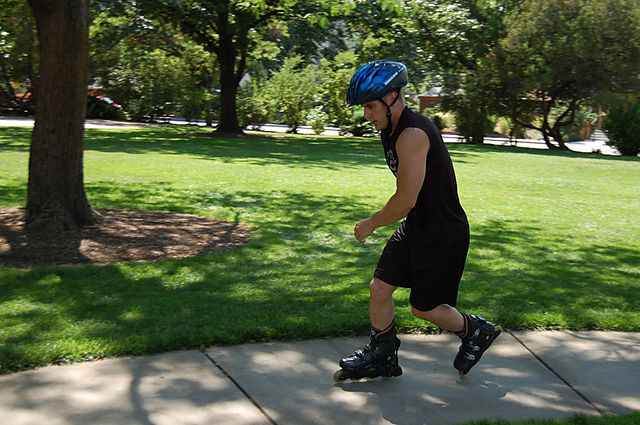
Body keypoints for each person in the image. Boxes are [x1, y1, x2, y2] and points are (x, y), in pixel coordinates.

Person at [334, 60, 501, 382]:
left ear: (393, 97)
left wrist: (371, 222)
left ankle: (476, 329)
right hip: (418, 226)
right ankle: (382, 355)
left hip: (442, 232)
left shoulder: (411, 133)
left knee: (424, 309)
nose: (366, 115)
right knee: (379, 288)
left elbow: (405, 199)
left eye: (370, 106)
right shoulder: (392, 128)